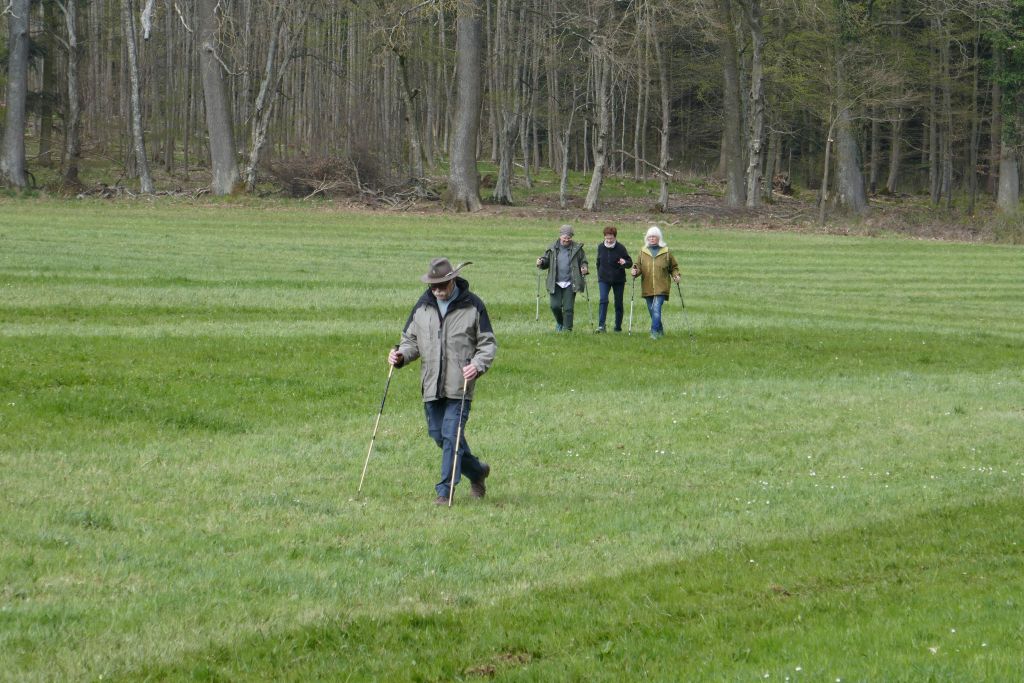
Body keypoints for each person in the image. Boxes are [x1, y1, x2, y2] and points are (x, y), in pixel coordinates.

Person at [388, 258, 498, 505]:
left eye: (441, 286)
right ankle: (477, 471)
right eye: (433, 286)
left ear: (452, 281)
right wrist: (401, 356)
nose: (437, 291)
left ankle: (444, 491)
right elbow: (410, 341)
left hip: (460, 386)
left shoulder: (473, 305)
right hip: (431, 385)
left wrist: (477, 365)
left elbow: (488, 344)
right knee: (439, 435)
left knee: (451, 435)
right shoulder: (422, 306)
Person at [631, 226, 681, 339]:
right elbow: (638, 266)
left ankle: (653, 333)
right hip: (647, 286)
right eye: (650, 237)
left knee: (656, 308)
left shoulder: (666, 252)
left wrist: (676, 275)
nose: (652, 239)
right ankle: (660, 331)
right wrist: (635, 272)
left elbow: (674, 267)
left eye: (654, 237)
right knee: (652, 311)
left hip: (661, 286)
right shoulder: (643, 252)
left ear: (659, 238)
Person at [536, 224, 588, 332]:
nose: (566, 240)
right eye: (565, 237)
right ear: (560, 236)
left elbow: (583, 261)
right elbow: (546, 261)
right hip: (555, 282)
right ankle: (560, 323)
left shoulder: (577, 248)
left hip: (571, 282)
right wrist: (541, 262)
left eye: (569, 237)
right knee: (555, 306)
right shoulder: (552, 248)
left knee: (568, 308)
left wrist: (584, 267)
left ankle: (567, 329)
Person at [594, 226, 632, 333]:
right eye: (607, 238)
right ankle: (601, 326)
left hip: (618, 280)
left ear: (615, 237)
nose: (609, 240)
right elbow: (598, 263)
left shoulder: (621, 248)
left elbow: (629, 263)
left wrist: (624, 262)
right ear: (604, 237)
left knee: (618, 303)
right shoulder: (600, 247)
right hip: (604, 279)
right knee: (603, 300)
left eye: (611, 238)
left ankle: (618, 327)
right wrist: (600, 275)